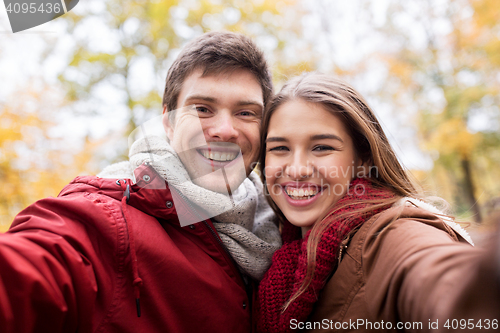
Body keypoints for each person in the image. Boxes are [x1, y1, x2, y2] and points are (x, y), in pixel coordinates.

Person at [0, 31, 282, 333]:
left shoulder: (285, 227)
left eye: (245, 112)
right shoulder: (109, 222)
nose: (225, 130)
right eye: (202, 108)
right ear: (168, 122)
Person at [256, 72, 500, 332]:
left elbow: (439, 280)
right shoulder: (275, 249)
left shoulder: (392, 232)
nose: (297, 169)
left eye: (321, 147)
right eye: (280, 148)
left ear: (363, 159)